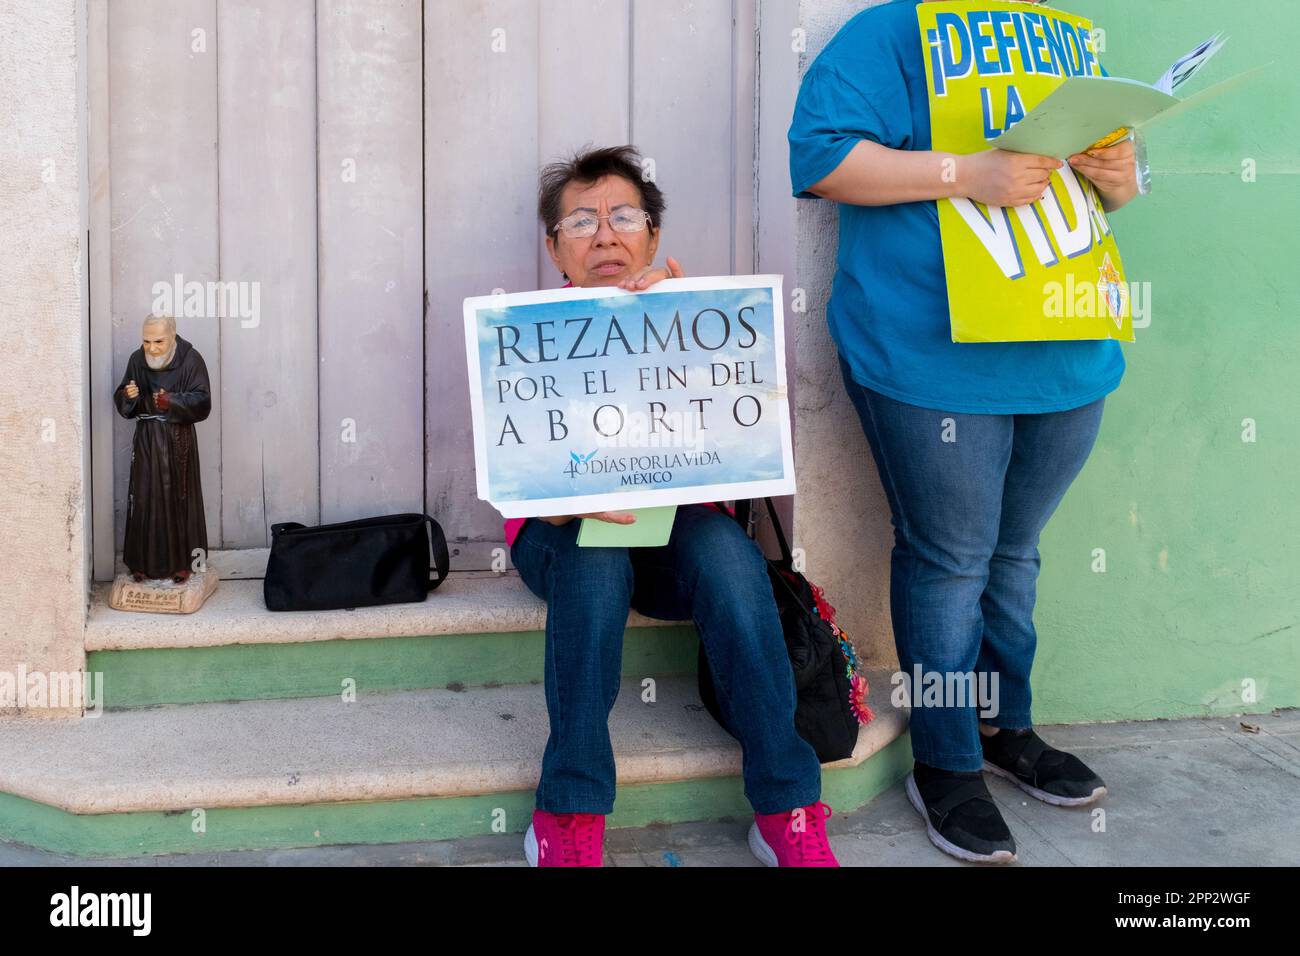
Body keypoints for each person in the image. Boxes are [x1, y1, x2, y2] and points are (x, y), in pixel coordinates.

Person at [789, 0, 1137, 863]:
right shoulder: (892, 30)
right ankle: (946, 765)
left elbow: (1108, 199)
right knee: (951, 561)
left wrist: (1122, 175)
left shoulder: (1064, 35)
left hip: (1066, 345)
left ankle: (1001, 726)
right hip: (929, 354)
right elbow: (823, 157)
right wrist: (966, 175)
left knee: (1014, 554)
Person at [508, 145, 836, 867]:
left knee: (726, 553)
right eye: (582, 221)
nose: (604, 234)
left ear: (653, 235)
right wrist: (565, 505)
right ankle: (569, 810)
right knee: (593, 566)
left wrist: (695, 342)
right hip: (559, 534)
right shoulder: (522, 335)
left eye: (624, 216)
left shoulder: (696, 319)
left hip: (674, 531)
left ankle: (788, 805)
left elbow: (735, 462)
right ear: (555, 248)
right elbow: (518, 482)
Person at [113, 314, 212, 583]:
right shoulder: (137, 360)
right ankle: (141, 563)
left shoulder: (191, 360)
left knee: (180, 499)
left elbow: (203, 401)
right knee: (143, 498)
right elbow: (123, 397)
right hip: (146, 439)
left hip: (177, 441)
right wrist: (127, 396)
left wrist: (173, 401)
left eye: (158, 341)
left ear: (172, 335)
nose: (152, 348)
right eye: (146, 341)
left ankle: (185, 562)